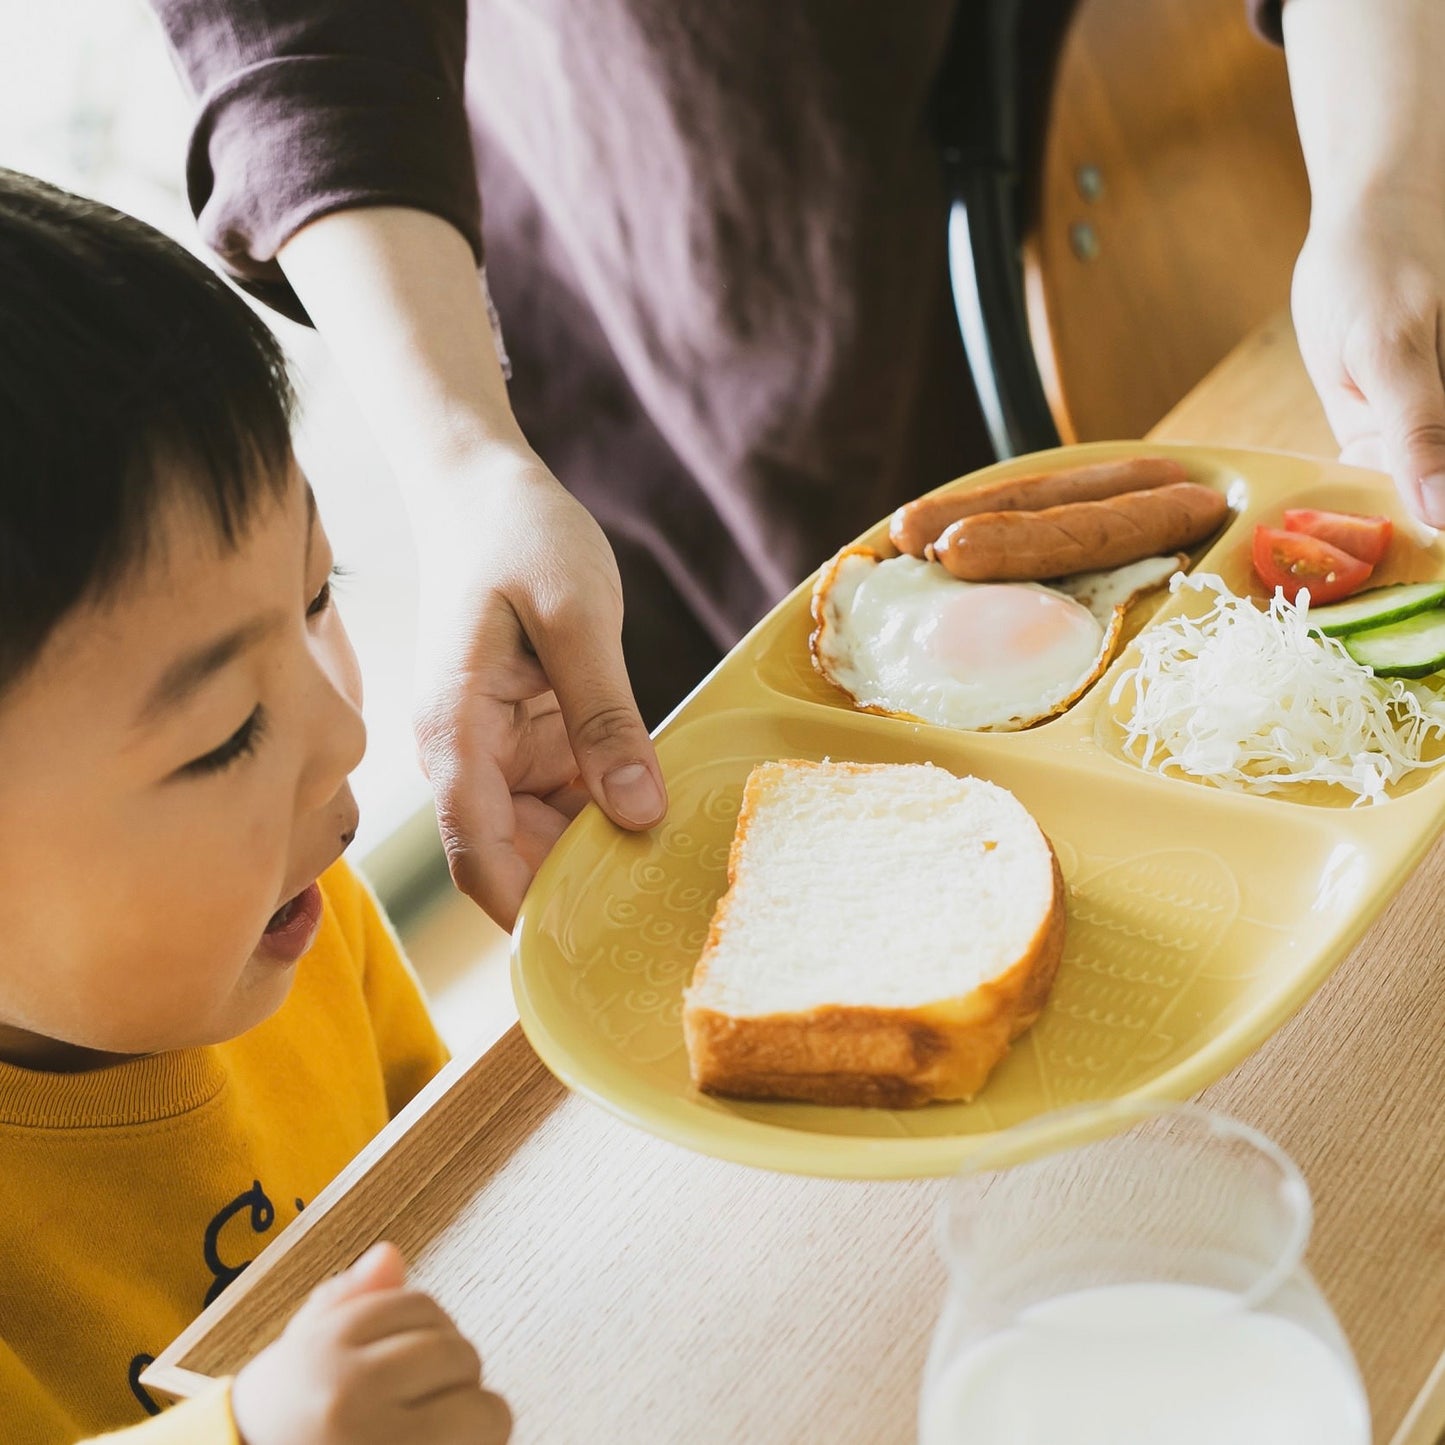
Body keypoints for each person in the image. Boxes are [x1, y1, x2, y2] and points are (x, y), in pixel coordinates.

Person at [149, 0, 1445, 929]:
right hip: (685, 224)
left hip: (1187, 109)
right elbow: (295, 34)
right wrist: (461, 459)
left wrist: (1383, 185)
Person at [0, 171, 510, 1445]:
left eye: (318, 593)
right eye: (227, 731)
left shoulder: (286, 907)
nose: (344, 732)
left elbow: (456, 1201)